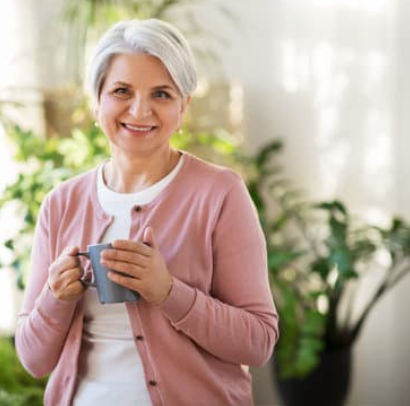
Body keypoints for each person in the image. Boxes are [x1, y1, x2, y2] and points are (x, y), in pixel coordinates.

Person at [15, 18, 278, 406]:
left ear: (183, 106)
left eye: (162, 94)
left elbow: (258, 343)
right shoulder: (61, 203)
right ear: (97, 99)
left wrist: (168, 292)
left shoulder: (221, 195)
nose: (140, 110)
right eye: (122, 90)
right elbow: (33, 359)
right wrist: (55, 298)